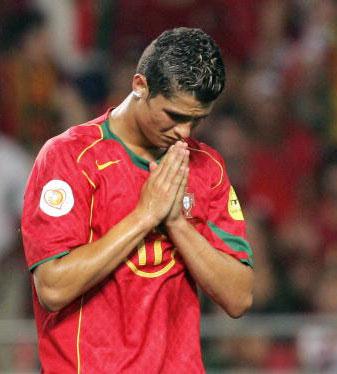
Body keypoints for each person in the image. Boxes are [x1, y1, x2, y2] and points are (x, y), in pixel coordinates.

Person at [21, 27, 254, 372]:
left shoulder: (207, 167)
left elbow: (239, 297)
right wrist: (144, 216)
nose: (184, 133)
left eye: (197, 120)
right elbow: (52, 287)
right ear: (140, 86)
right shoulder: (69, 158)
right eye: (174, 116)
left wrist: (176, 223)